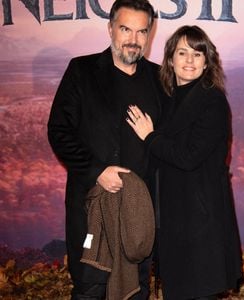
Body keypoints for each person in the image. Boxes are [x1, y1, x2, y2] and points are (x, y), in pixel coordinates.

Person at [47, 0, 162, 299]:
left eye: (141, 31)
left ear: (150, 34)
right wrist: (97, 171)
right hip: (91, 206)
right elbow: (59, 131)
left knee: (137, 289)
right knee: (90, 286)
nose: (133, 40)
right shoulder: (82, 71)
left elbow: (173, 142)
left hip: (141, 214)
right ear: (110, 28)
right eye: (125, 29)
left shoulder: (160, 79)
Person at [127, 25, 243, 300]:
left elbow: (188, 157)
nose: (189, 61)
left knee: (197, 290)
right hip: (174, 215)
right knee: (178, 290)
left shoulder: (212, 100)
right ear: (170, 59)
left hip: (200, 218)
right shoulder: (168, 98)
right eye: (182, 53)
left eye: (197, 54)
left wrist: (149, 137)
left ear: (207, 62)